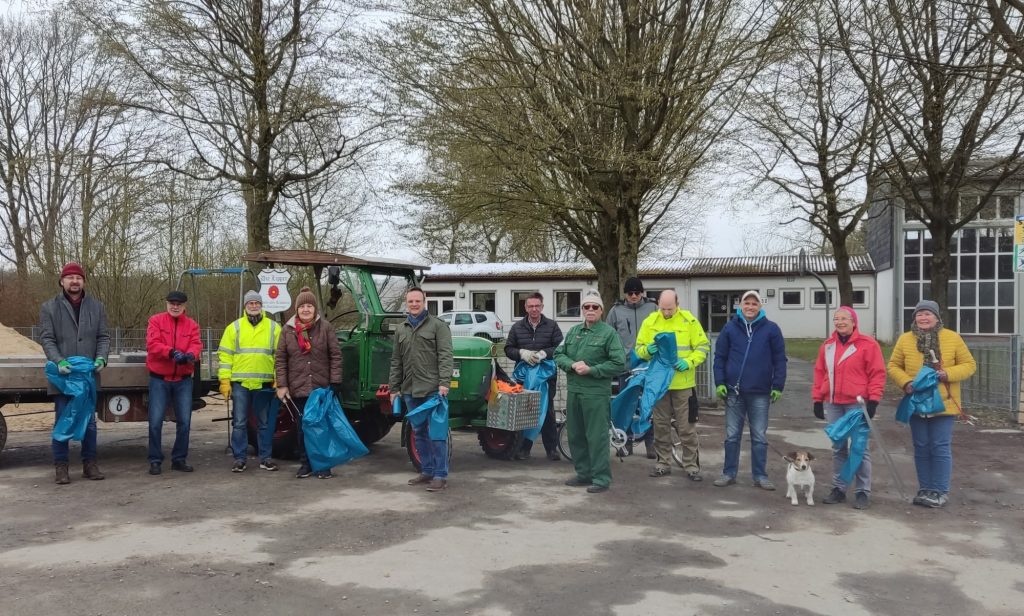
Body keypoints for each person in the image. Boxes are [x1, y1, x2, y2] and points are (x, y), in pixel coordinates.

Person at [887, 300, 976, 508]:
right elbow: (893, 366)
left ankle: (939, 491)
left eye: (927, 314)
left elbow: (969, 365)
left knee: (939, 447)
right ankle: (925, 488)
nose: (923, 318)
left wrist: (948, 374)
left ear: (937, 317)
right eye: (919, 314)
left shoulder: (952, 338)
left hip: (944, 405)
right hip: (916, 403)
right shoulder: (905, 339)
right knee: (921, 447)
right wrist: (906, 382)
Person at [39, 262, 110, 485]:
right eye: (69, 277)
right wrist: (58, 361)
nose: (74, 281)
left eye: (78, 278)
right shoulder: (49, 307)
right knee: (63, 419)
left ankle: (90, 464)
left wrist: (101, 358)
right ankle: (61, 467)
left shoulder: (97, 307)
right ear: (62, 281)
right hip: (64, 377)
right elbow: (47, 338)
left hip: (87, 377)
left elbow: (104, 337)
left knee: (89, 421)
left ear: (84, 282)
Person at [812, 306, 886, 510]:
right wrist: (818, 399)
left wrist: (874, 400)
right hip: (834, 402)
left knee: (860, 448)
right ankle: (839, 488)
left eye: (844, 318)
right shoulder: (827, 345)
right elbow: (820, 373)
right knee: (838, 447)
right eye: (836, 319)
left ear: (854, 322)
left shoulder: (868, 344)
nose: (840, 322)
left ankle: (862, 490)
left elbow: (877, 373)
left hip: (857, 403)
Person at [712, 290, 787, 490]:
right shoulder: (729, 328)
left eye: (754, 304)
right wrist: (719, 382)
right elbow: (719, 357)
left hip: (760, 392)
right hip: (733, 393)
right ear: (740, 305)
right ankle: (728, 473)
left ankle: (760, 476)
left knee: (759, 436)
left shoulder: (772, 329)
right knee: (732, 435)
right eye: (747, 303)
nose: (750, 307)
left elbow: (780, 360)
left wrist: (778, 385)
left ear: (760, 307)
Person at [554, 289, 625, 493]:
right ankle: (583, 474)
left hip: (595, 393)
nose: (590, 310)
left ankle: (601, 478)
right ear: (582, 310)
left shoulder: (609, 334)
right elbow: (559, 354)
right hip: (574, 391)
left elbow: (618, 363)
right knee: (576, 435)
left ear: (601, 310)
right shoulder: (574, 332)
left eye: (595, 307)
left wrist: (592, 370)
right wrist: (572, 364)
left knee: (597, 437)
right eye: (587, 307)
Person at [635, 289, 710, 481]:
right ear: (658, 303)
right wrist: (647, 350)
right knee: (660, 426)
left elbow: (703, 346)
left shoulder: (689, 321)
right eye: (663, 308)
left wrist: (689, 361)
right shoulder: (650, 321)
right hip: (659, 385)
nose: (667, 312)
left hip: (683, 385)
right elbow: (639, 350)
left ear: (677, 304)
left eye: (670, 308)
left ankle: (691, 467)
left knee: (686, 428)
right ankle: (663, 463)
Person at [390, 287, 454, 492]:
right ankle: (426, 470)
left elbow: (446, 355)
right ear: (406, 304)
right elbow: (396, 362)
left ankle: (440, 475)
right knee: (418, 432)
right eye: (410, 302)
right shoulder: (401, 329)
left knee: (436, 432)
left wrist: (444, 382)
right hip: (409, 390)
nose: (414, 304)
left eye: (418, 301)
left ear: (424, 302)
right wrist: (394, 388)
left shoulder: (438, 326)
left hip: (432, 390)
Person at [275, 287, 343, 479]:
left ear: (315, 309)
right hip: (298, 388)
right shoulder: (287, 331)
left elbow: (336, 355)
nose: (306, 309)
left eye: (309, 306)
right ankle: (306, 464)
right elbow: (280, 358)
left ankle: (323, 466)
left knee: (322, 428)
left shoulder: (326, 327)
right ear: (297, 309)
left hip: (321, 388)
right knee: (303, 428)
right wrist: (282, 385)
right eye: (302, 306)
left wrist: (335, 381)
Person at [218, 290, 281, 473]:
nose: (253, 306)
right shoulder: (234, 328)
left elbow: (280, 356)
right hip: (240, 384)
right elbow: (225, 356)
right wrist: (224, 380)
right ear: (245, 306)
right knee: (239, 423)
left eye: (256, 303)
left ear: (261, 306)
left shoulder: (273, 328)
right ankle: (239, 458)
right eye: (250, 303)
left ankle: (266, 458)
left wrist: (279, 378)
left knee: (264, 424)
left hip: (263, 384)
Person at [145, 290, 202, 475]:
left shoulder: (192, 325)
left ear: (184, 306)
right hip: (159, 379)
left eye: (179, 304)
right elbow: (152, 344)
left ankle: (179, 459)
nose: (175, 306)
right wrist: (171, 352)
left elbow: (196, 344)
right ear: (167, 304)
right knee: (155, 422)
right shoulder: (155, 320)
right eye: (172, 303)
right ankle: (155, 460)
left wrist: (191, 355)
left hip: (183, 380)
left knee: (184, 422)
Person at [503, 291, 564, 461]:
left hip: (546, 378)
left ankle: (551, 449)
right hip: (523, 378)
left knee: (547, 412)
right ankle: (523, 449)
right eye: (531, 306)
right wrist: (521, 353)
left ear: (542, 306)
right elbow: (508, 349)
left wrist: (545, 353)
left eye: (537, 306)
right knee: (524, 413)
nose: (534, 309)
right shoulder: (517, 327)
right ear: (525, 307)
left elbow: (560, 348)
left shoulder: (552, 326)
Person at [605, 276, 657, 457]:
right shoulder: (616, 311)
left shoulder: (653, 308)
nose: (633, 296)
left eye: (637, 292)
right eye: (630, 293)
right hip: (625, 366)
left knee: (649, 405)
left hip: (648, 365)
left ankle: (651, 443)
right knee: (626, 404)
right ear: (625, 294)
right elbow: (608, 336)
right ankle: (626, 442)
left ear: (642, 292)